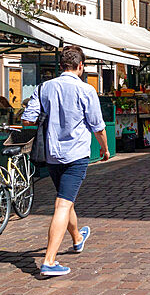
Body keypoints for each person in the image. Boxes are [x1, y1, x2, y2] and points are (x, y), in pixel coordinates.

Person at [22, 45, 109, 277]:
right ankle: (49, 261)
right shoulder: (86, 90)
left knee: (65, 198)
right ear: (81, 66)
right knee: (62, 203)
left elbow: (28, 118)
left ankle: (78, 238)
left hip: (52, 154)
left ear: (61, 66)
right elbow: (98, 126)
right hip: (76, 155)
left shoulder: (43, 88)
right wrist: (105, 149)